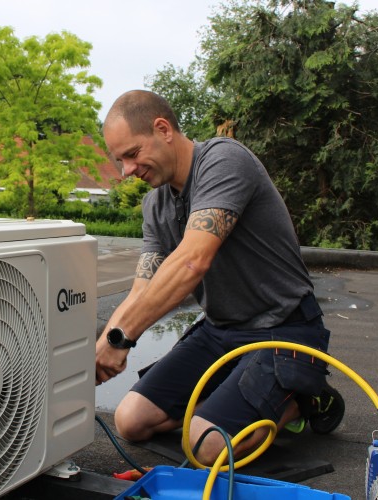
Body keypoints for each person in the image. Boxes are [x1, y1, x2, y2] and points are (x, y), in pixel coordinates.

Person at [95, 90, 342, 465]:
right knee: (130, 421)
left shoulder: (223, 161)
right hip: (219, 331)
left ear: (162, 129)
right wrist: (102, 349)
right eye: (120, 161)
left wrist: (121, 337)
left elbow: (192, 261)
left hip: (284, 328)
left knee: (207, 447)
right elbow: (142, 289)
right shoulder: (156, 204)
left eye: (132, 154)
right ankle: (234, 403)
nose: (127, 170)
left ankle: (303, 399)